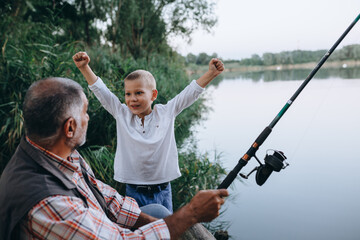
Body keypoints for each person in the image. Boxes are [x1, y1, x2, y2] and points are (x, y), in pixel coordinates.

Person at [0, 77, 229, 240]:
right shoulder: (49, 202)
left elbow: (108, 200)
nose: (88, 118)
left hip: (101, 224)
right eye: (85, 113)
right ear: (70, 127)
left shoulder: (62, 155)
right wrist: (191, 214)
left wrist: (165, 224)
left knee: (160, 214)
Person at [73, 51, 225, 212]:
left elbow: (190, 93)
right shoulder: (122, 114)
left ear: (153, 95)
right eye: (128, 94)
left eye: (139, 93)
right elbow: (101, 91)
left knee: (166, 232)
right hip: (133, 191)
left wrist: (211, 73)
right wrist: (84, 67)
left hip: (163, 190)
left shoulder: (166, 113)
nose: (133, 99)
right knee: (139, 235)